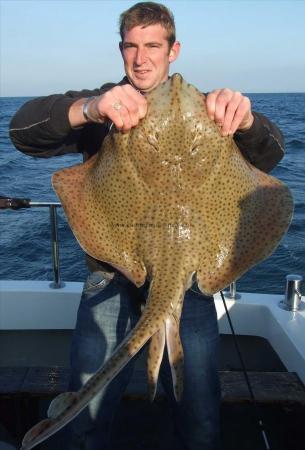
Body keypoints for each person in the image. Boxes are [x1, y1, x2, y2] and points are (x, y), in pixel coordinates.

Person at [9, 3, 284, 449]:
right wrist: (89, 108)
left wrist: (247, 120)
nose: (141, 58)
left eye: (152, 46)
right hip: (111, 275)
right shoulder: (103, 103)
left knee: (199, 418)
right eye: (131, 47)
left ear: (173, 50)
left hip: (191, 282)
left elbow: (271, 154)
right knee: (89, 415)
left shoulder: (212, 112)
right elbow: (22, 131)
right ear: (121, 51)